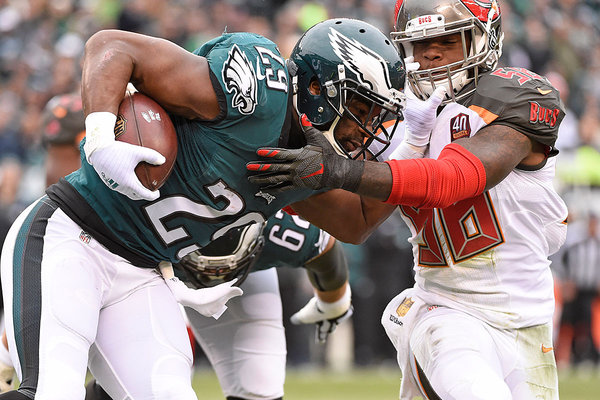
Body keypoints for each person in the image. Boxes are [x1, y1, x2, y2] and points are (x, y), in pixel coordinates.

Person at [0, 18, 405, 400]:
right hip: (71, 236)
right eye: (363, 109)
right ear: (318, 89)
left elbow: (358, 223)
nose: (366, 128)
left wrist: (413, 150)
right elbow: (112, 45)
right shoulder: (258, 93)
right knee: (53, 391)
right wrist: (102, 139)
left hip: (143, 271)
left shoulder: (309, 165)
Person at [246, 1, 569, 398]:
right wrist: (280, 174)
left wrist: (338, 170)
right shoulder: (393, 114)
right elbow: (357, 221)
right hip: (445, 312)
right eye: (418, 45)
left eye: (446, 40)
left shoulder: (512, 95)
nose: (429, 53)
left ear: (483, 39)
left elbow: (454, 179)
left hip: (529, 321)